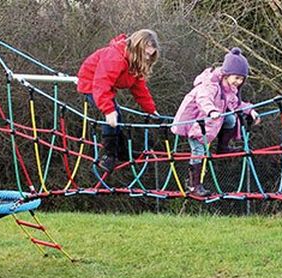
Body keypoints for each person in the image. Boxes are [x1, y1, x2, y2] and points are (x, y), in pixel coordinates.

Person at [171, 47, 260, 197]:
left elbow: (236, 105)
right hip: (194, 121)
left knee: (231, 118)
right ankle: (194, 186)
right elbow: (203, 99)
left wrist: (251, 110)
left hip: (209, 122)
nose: (238, 82)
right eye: (236, 78)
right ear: (226, 74)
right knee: (198, 151)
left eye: (241, 79)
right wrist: (212, 111)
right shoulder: (210, 84)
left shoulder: (230, 89)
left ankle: (223, 147)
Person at [77, 29, 160, 172]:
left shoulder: (135, 63)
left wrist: (151, 110)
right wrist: (108, 110)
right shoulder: (115, 57)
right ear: (137, 48)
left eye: (150, 55)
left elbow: (139, 89)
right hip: (91, 83)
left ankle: (121, 153)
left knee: (118, 117)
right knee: (112, 117)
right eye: (145, 54)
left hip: (104, 86)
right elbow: (101, 83)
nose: (147, 58)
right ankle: (109, 156)